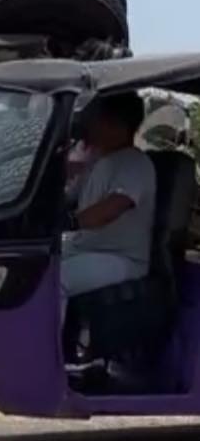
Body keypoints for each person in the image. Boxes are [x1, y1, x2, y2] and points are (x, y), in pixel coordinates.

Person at [62, 92, 156, 302]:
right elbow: (70, 198)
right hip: (83, 248)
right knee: (33, 267)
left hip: (120, 257)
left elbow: (113, 207)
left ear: (116, 124)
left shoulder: (136, 163)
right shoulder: (97, 160)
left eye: (95, 119)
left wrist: (70, 222)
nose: (89, 126)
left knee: (56, 281)